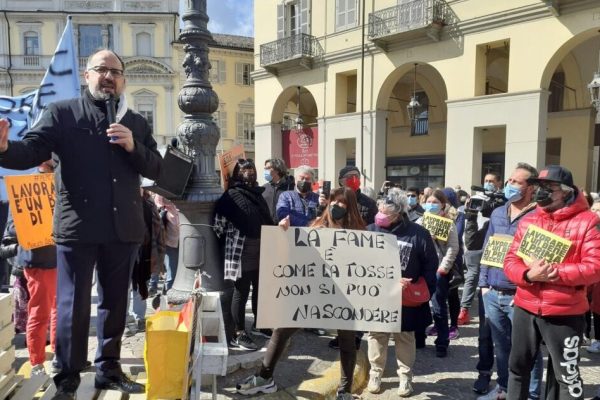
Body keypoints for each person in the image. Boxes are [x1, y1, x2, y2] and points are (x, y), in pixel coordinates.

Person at [0, 49, 162, 399]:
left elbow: (156, 168)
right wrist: (2, 149)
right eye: (101, 69)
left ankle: (108, 369)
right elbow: (30, 150)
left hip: (124, 229)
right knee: (72, 305)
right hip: (78, 228)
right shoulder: (62, 113)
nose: (109, 76)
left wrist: (134, 147)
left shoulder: (135, 120)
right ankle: (68, 377)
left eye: (115, 71)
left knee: (115, 303)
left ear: (123, 80)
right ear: (86, 75)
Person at [236, 187, 365, 400]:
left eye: (342, 203)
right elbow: (291, 255)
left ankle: (345, 391)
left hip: (345, 297)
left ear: (350, 208)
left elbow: (371, 268)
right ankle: (264, 378)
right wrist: (283, 233)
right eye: (334, 201)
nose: (336, 207)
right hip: (310, 293)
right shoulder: (314, 227)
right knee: (281, 330)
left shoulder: (361, 236)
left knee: (347, 343)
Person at [504, 165, 600, 400]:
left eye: (550, 187)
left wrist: (552, 272)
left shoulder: (588, 221)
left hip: (564, 312)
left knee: (567, 378)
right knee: (517, 369)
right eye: (539, 187)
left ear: (566, 191)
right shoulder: (529, 220)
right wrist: (528, 275)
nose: (541, 192)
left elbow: (594, 267)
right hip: (525, 307)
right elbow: (511, 260)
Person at [476, 163, 543, 400]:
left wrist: (527, 288)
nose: (510, 185)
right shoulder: (497, 212)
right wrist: (483, 285)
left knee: (528, 351)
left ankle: (532, 394)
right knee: (502, 347)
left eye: (517, 182)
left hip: (521, 294)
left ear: (531, 188)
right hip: (492, 291)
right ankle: (504, 389)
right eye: (509, 181)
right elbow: (487, 249)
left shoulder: (539, 216)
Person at [366, 188, 438, 397]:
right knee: (376, 335)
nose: (379, 214)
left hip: (406, 299)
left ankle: (405, 377)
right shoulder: (370, 230)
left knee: (405, 337)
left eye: (385, 212)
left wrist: (422, 292)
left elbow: (429, 267)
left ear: (398, 214)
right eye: (378, 209)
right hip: (376, 297)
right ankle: (375, 373)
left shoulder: (418, 234)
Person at [214, 159, 274, 351]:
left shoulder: (259, 195)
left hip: (261, 249)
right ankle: (238, 332)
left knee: (260, 289)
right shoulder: (230, 195)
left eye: (251, 168)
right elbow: (218, 226)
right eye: (245, 169)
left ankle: (260, 324)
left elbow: (267, 220)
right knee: (241, 292)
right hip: (241, 250)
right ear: (237, 173)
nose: (249, 172)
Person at [418, 190, 460, 358]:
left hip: (439, 270)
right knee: (419, 304)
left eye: (436, 202)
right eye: (429, 201)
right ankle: (418, 337)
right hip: (421, 269)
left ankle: (442, 342)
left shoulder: (448, 224)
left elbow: (453, 248)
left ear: (443, 204)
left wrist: (444, 268)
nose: (432, 204)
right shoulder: (420, 221)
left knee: (439, 307)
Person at [459, 171, 504, 326]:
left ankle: (493, 312)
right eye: (486, 180)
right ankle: (463, 310)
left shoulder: (505, 201)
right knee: (472, 277)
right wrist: (470, 213)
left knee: (492, 280)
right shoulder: (476, 199)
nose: (488, 183)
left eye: (491, 180)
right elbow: (468, 224)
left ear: (499, 183)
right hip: (475, 243)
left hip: (496, 244)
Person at [154, 194, 180, 291]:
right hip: (169, 240)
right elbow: (157, 206)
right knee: (171, 273)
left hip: (184, 239)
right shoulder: (163, 192)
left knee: (177, 273)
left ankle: (166, 295)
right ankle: (167, 299)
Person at [262, 158, 294, 223]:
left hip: (286, 226)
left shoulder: (291, 187)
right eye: (265, 168)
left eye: (268, 168)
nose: (265, 170)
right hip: (267, 227)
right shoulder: (263, 188)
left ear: (277, 170)